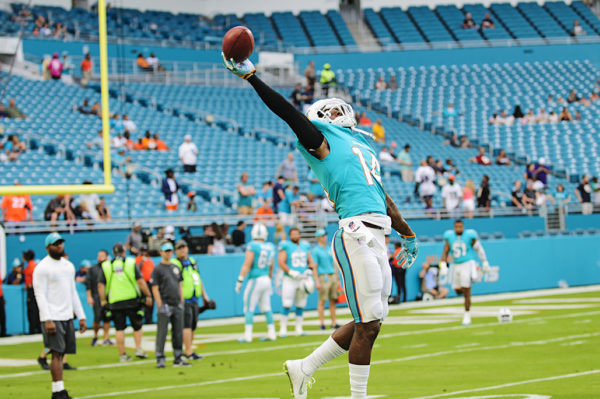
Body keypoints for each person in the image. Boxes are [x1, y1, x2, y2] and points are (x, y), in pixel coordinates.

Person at [224, 55, 417, 399]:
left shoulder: (363, 145)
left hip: (379, 233)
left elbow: (384, 198)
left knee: (371, 324)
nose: (334, 113)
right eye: (327, 112)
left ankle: (304, 367)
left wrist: (407, 233)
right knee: (369, 323)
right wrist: (253, 77)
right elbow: (288, 112)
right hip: (355, 231)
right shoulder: (322, 141)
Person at [33, 233, 86, 399]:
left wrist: (81, 315)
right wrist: (47, 318)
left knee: (62, 353)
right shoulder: (42, 268)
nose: (59, 246)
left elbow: (73, 292)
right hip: (53, 316)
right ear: (47, 247)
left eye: (60, 243)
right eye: (55, 244)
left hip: (66, 315)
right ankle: (58, 391)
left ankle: (59, 390)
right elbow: (40, 294)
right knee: (56, 352)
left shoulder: (68, 266)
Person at [98, 243, 152, 362]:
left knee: (119, 328)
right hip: (132, 299)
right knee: (137, 326)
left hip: (115, 301)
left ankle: (122, 354)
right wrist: (148, 295)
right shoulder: (130, 262)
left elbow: (101, 285)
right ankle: (138, 348)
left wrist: (103, 300)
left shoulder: (106, 265)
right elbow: (141, 281)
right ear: (124, 251)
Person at [439, 220, 490, 325]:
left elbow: (479, 249)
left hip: (467, 263)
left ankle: (467, 314)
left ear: (463, 227)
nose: (458, 228)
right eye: (457, 226)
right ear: (454, 227)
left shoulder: (469, 236)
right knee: (457, 290)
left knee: (466, 290)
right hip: (456, 264)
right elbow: (445, 251)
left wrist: (484, 261)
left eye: (460, 226)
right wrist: (443, 264)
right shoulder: (449, 237)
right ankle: (470, 284)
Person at [150, 242, 191, 368]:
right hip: (166, 303)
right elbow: (155, 288)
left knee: (178, 332)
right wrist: (160, 304)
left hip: (176, 303)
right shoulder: (158, 269)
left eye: (169, 251)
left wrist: (181, 300)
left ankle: (178, 357)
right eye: (165, 251)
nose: (168, 253)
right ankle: (160, 357)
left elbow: (180, 284)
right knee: (162, 333)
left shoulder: (175, 267)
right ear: (161, 252)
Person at [171, 240, 212, 360]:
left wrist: (204, 295)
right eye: (179, 248)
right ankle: (188, 351)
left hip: (194, 296)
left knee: (193, 325)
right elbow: (177, 282)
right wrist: (181, 298)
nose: (182, 250)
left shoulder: (192, 261)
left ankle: (189, 349)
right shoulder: (175, 263)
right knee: (187, 325)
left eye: (184, 247)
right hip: (185, 298)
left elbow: (198, 278)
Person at [235, 224, 277, 342]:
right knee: (267, 307)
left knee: (249, 307)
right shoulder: (270, 246)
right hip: (266, 279)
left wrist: (240, 280)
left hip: (256, 279)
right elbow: (271, 265)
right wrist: (269, 278)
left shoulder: (252, 245)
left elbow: (247, 263)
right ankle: (272, 332)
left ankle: (248, 335)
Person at [278, 227, 319, 337]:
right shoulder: (285, 245)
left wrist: (309, 269)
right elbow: (281, 262)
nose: (295, 236)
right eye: (293, 234)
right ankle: (283, 329)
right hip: (290, 279)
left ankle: (299, 328)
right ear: (290, 236)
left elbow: (311, 262)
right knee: (287, 303)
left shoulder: (305, 245)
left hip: (302, 279)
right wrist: (290, 271)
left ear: (299, 235)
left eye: (296, 234)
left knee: (301, 304)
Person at [311, 229, 340, 330]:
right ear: (318, 238)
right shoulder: (315, 251)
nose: (325, 237)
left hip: (332, 275)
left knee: (333, 300)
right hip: (323, 276)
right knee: (322, 300)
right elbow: (314, 266)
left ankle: (333, 322)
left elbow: (334, 264)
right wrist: (316, 280)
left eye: (325, 235)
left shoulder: (329, 248)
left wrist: (337, 278)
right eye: (323, 236)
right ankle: (322, 323)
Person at [86, 250, 113, 346]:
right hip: (96, 297)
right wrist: (89, 297)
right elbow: (88, 284)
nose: (100, 257)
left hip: (108, 297)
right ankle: (96, 336)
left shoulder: (110, 267)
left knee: (107, 318)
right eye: (99, 255)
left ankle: (106, 338)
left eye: (102, 255)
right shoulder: (93, 269)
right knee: (97, 318)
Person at [21, 249, 40, 334]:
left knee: (32, 310)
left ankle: (34, 328)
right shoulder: (30, 265)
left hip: (32, 290)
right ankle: (34, 328)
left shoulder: (31, 265)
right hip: (32, 289)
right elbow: (23, 272)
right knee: (33, 309)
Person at [135, 246, 155, 324]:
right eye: (143, 251)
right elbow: (136, 270)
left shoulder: (149, 260)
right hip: (142, 283)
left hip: (150, 283)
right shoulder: (138, 259)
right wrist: (142, 262)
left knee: (151, 301)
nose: (144, 252)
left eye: (146, 251)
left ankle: (149, 319)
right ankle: (140, 319)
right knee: (142, 302)